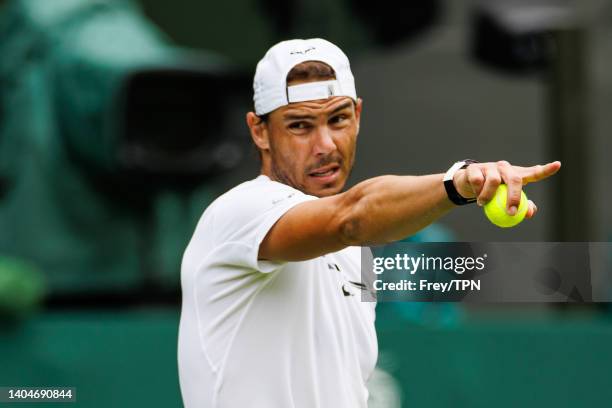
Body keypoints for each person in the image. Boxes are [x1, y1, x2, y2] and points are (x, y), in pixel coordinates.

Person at [177, 38, 560, 408]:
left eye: (338, 119)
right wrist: (456, 183)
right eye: (300, 126)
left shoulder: (354, 254)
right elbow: (351, 217)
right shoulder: (239, 211)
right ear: (260, 131)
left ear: (357, 116)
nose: (325, 144)